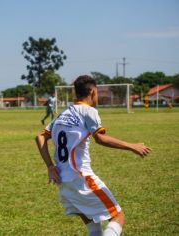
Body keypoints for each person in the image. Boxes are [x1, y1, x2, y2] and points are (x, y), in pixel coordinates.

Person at [35, 75, 151, 236]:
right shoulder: (88, 111)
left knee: (93, 226)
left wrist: (49, 166)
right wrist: (132, 146)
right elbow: (100, 138)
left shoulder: (63, 114)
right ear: (92, 91)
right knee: (117, 216)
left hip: (63, 182)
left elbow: (40, 137)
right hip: (81, 178)